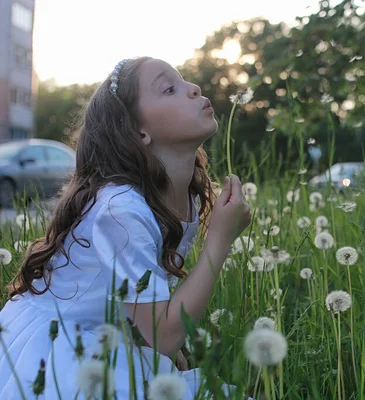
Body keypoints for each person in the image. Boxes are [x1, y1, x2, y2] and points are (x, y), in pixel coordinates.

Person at [0, 57, 252, 399]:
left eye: (185, 82)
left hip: (109, 331)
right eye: (169, 88)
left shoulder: (180, 194)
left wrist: (151, 339)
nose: (194, 89)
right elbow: (161, 337)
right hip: (57, 346)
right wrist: (219, 241)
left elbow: (143, 300)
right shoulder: (120, 209)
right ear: (139, 132)